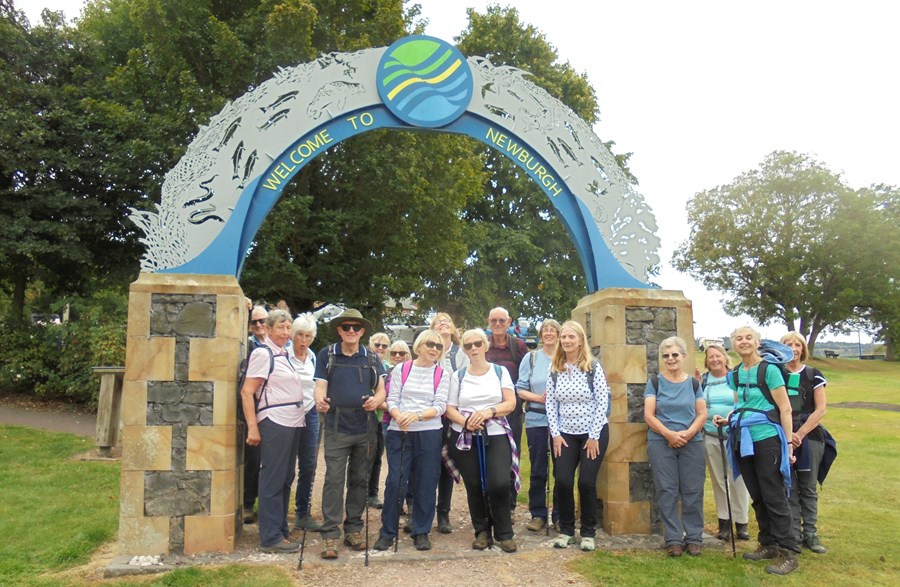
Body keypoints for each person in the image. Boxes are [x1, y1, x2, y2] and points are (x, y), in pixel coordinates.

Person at [715, 326, 799, 575]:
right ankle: (768, 544)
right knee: (757, 494)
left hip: (767, 438)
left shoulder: (770, 370)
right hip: (743, 437)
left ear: (757, 342)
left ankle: (788, 551)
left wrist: (788, 443)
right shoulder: (737, 373)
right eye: (738, 339)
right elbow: (742, 404)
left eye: (748, 338)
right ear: (734, 344)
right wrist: (728, 419)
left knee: (773, 494)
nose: (743, 342)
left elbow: (785, 409)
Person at [313, 309, 387, 559]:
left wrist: (375, 402)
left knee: (360, 479)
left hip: (365, 425)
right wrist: (320, 402)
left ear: (363, 331)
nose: (352, 331)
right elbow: (320, 386)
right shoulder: (327, 354)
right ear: (339, 330)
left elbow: (381, 389)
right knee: (334, 479)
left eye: (356, 328)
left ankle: (354, 529)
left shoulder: (372, 358)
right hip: (336, 424)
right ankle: (330, 535)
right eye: (347, 327)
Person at [373, 330, 450, 552]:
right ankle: (387, 531)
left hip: (429, 432)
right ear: (418, 346)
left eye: (438, 345)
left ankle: (421, 530)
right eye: (430, 344)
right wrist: (398, 416)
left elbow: (440, 406)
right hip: (400, 431)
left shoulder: (442, 374)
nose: (434, 348)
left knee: (426, 482)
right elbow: (392, 398)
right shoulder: (401, 369)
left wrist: (416, 416)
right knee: (395, 481)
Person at [446, 328, 519, 553]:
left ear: (485, 345)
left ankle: (504, 532)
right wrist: (466, 422)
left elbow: (510, 402)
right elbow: (450, 408)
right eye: (468, 345)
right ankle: (482, 531)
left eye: (477, 343)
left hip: (495, 433)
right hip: (465, 436)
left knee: (499, 482)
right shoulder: (458, 376)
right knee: (475, 484)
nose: (473, 348)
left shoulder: (500, 372)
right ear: (464, 350)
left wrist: (489, 412)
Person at [240, 309, 305, 553]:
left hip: (293, 421)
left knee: (286, 477)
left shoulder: (283, 355)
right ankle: (269, 537)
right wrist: (253, 428)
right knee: (273, 477)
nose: (285, 333)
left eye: (288, 328)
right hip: (275, 420)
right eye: (280, 328)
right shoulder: (263, 353)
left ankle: (280, 530)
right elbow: (247, 392)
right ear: (267, 329)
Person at [546, 321, 610, 552]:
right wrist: (555, 434)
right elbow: (550, 403)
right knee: (562, 480)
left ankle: (588, 532)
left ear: (581, 340)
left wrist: (594, 436)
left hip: (593, 433)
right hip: (565, 435)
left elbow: (603, 401)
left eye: (571, 337)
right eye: (564, 337)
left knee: (585, 482)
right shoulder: (555, 368)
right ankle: (566, 530)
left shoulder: (593, 367)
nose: (567, 340)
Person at [644, 336, 706, 557]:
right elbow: (649, 415)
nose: (670, 359)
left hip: (692, 442)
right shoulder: (655, 382)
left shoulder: (694, 383)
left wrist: (687, 434)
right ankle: (673, 539)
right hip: (661, 442)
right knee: (667, 490)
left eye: (674, 355)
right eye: (666, 356)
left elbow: (702, 414)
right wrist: (669, 434)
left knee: (693, 491)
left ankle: (694, 538)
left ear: (684, 357)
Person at [781, 331, 828, 554]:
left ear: (803, 349)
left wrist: (799, 433)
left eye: (797, 344)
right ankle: (794, 534)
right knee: (789, 487)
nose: (793, 348)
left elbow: (820, 409)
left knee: (808, 487)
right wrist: (789, 436)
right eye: (788, 344)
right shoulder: (776, 375)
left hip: (810, 437)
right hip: (783, 436)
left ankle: (811, 534)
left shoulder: (812, 374)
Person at [701, 343, 751, 542]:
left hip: (734, 435)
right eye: (711, 357)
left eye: (718, 356)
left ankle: (742, 523)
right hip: (710, 435)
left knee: (737, 479)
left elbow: (742, 403)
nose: (714, 360)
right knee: (718, 480)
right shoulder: (703, 381)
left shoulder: (735, 378)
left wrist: (730, 418)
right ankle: (724, 521)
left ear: (725, 357)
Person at [516, 318, 561, 533]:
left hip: (563, 422)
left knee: (562, 470)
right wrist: (538, 398)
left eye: (553, 330)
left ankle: (561, 515)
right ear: (541, 334)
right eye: (546, 330)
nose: (549, 333)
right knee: (537, 469)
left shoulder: (566, 357)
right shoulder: (531, 358)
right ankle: (538, 514)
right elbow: (520, 388)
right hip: (536, 419)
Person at [484, 307, 529, 510]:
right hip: (488, 409)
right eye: (494, 321)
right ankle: (488, 501)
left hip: (512, 409)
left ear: (509, 322)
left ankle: (509, 503)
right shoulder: (483, 345)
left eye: (502, 320)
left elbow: (525, 375)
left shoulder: (518, 345)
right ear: (488, 322)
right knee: (487, 452)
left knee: (513, 453)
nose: (498, 324)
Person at [431, 312, 469, 534]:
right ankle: (418, 510)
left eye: (448, 321)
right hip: (430, 416)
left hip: (452, 415)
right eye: (439, 321)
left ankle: (443, 513)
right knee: (425, 464)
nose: (444, 323)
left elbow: (464, 379)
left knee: (446, 465)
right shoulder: (429, 349)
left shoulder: (460, 353)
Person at [289, 313, 322, 532]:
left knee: (309, 465)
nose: (303, 340)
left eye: (308, 336)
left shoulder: (313, 358)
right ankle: (279, 512)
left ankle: (303, 512)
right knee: (285, 465)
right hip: (287, 414)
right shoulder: (283, 356)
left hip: (310, 414)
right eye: (300, 335)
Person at [243, 305, 269, 524]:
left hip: (278, 411)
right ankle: (248, 503)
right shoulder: (246, 346)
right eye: (254, 322)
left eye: (263, 321)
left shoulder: (283, 346)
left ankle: (269, 507)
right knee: (253, 460)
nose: (259, 325)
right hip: (254, 408)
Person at [366, 332, 392, 509]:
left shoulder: (390, 368)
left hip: (382, 419)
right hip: (367, 417)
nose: (380, 348)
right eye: (377, 345)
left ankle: (373, 494)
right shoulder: (366, 364)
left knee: (377, 457)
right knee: (364, 457)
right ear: (370, 346)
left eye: (384, 346)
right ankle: (361, 493)